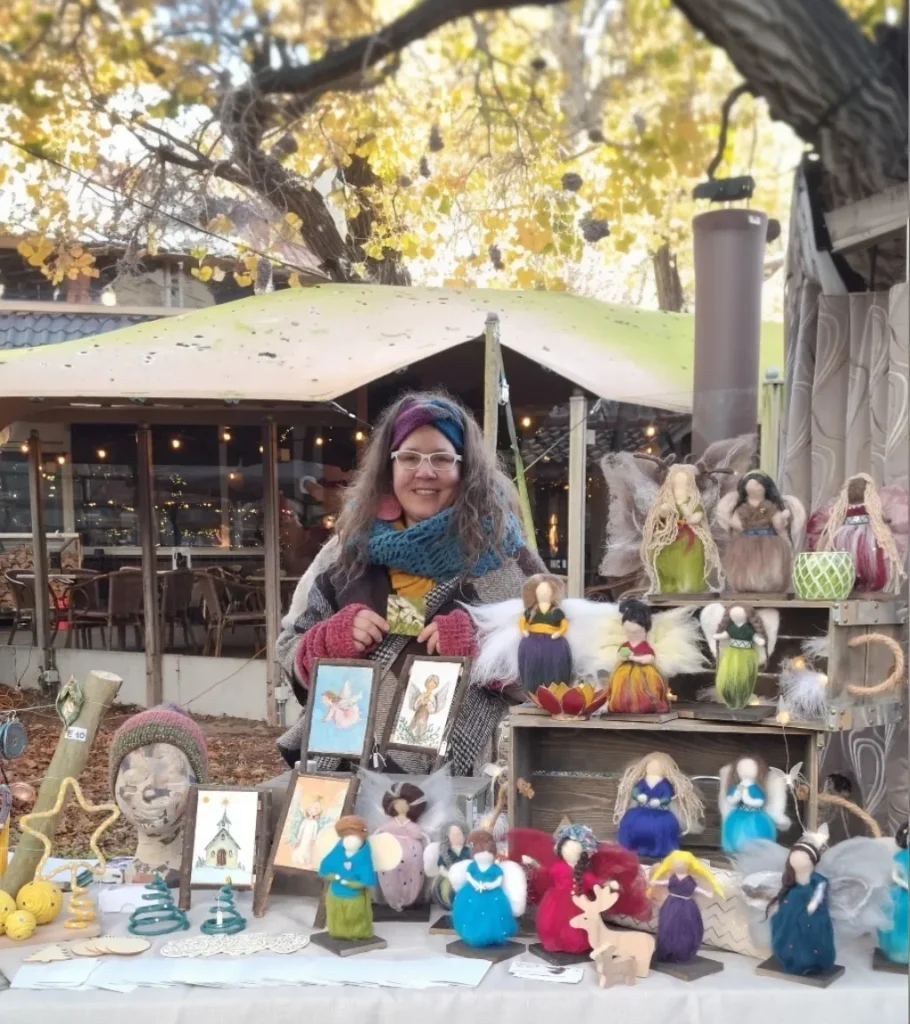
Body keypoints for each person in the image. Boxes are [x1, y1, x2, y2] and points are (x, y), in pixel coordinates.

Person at [276, 391, 544, 775]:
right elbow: (289, 650)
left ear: (465, 469)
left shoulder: (505, 556)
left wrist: (482, 648)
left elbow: (551, 673)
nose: (425, 471)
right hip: (344, 776)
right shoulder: (344, 552)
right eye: (409, 457)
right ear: (389, 468)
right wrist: (327, 640)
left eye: (441, 458)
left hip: (459, 785)